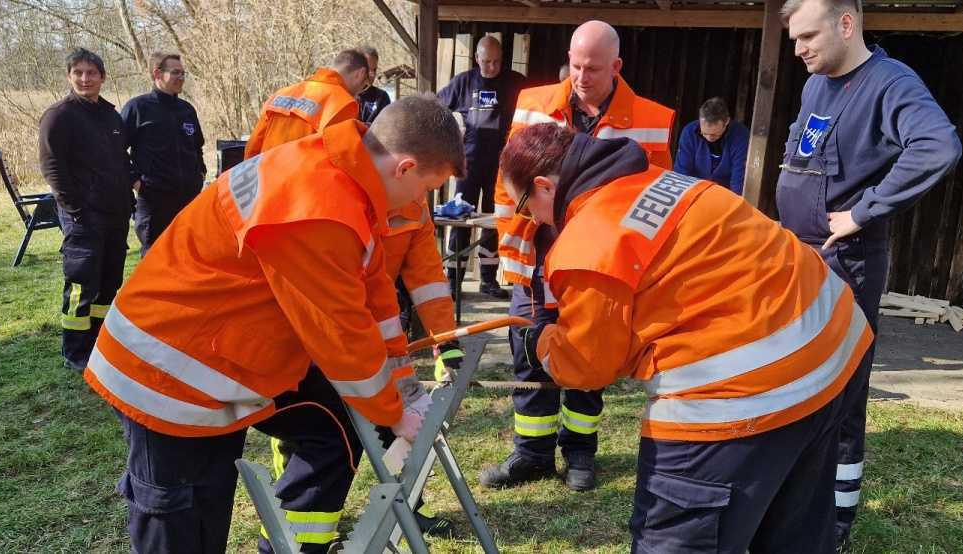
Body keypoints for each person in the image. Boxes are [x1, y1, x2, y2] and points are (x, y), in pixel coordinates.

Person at [84, 97, 465, 554]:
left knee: (327, 432)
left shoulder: (348, 180)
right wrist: (396, 413)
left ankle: (293, 545)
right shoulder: (321, 205)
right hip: (167, 368)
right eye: (429, 187)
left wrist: (404, 387)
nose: (423, 203)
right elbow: (341, 334)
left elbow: (375, 297)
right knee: (181, 518)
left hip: (224, 353)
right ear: (404, 168)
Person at [500, 122, 872, 553]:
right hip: (832, 345)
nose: (530, 221)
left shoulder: (586, 242)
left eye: (525, 208)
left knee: (675, 538)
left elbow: (587, 365)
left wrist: (541, 343)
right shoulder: (665, 181)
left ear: (545, 186)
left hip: (744, 389)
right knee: (792, 531)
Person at [777, 0, 962, 547]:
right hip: (801, 256)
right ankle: (797, 501)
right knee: (799, 383)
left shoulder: (890, 82)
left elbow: (937, 146)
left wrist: (864, 210)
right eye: (793, 39)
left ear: (847, 23)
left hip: (846, 263)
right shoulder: (817, 85)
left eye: (808, 36)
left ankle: (834, 523)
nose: (798, 49)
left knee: (840, 392)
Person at [479, 20, 675, 493]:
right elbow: (509, 186)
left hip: (596, 264)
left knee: (588, 352)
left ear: (616, 66)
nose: (581, 76)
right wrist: (511, 252)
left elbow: (655, 200)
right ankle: (531, 454)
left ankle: (580, 451)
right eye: (574, 65)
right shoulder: (534, 105)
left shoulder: (651, 117)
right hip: (534, 259)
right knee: (529, 354)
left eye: (592, 68)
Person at [38, 48, 135, 371]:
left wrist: (129, 198)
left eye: (91, 73)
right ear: (69, 76)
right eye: (78, 72)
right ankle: (76, 352)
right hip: (84, 216)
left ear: (102, 77)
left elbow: (121, 162)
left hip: (115, 214)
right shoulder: (59, 116)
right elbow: (53, 167)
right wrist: (75, 209)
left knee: (109, 283)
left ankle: (100, 344)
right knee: (82, 284)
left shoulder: (111, 116)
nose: (85, 78)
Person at [437, 35, 526, 299]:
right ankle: (454, 280)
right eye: (486, 62)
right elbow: (436, 107)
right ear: (477, 58)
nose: (491, 67)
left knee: (493, 224)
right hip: (468, 166)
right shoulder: (464, 82)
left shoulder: (515, 82)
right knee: (461, 221)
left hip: (501, 169)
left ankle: (489, 280)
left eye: (497, 62)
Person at [120, 51, 207, 256]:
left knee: (189, 254)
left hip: (188, 198)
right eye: (175, 73)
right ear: (157, 73)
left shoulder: (187, 110)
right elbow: (116, 150)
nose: (181, 78)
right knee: (155, 258)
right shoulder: (137, 108)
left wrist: (200, 174)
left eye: (183, 73)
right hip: (154, 200)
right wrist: (135, 181)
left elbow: (197, 147)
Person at [243, 49, 368, 158]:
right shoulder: (344, 103)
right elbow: (343, 157)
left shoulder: (281, 94)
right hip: (304, 182)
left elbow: (253, 148)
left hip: (267, 178)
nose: (360, 92)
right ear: (360, 74)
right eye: (364, 85)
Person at [673, 97, 751, 194]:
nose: (709, 138)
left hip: (725, 194)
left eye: (714, 135)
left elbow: (738, 180)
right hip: (694, 191)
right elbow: (681, 173)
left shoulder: (741, 136)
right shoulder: (689, 132)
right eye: (704, 133)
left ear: (726, 121)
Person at [356, 45, 392, 123]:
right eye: (368, 69)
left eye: (374, 70)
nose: (372, 74)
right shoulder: (343, 94)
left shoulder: (381, 97)